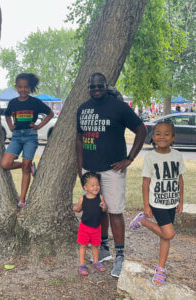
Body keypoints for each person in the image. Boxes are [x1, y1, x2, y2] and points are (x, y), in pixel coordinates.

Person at [76, 72, 147, 277]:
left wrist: (129, 158)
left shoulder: (119, 107)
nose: (96, 89)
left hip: (112, 170)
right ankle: (104, 248)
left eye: (100, 86)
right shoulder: (83, 109)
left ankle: (120, 256)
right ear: (88, 87)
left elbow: (141, 130)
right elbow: (79, 139)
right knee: (99, 210)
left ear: (106, 86)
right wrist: (79, 168)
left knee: (115, 211)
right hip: (90, 171)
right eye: (93, 86)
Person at [129, 120, 185, 286]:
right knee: (169, 233)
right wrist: (146, 205)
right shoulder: (151, 157)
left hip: (171, 203)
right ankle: (143, 221)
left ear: (173, 137)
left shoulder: (177, 155)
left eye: (166, 134)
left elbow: (180, 179)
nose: (162, 137)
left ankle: (161, 269)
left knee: (165, 237)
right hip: (157, 203)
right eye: (158, 134)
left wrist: (180, 200)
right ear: (153, 137)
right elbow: (146, 182)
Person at [0, 73, 54, 208]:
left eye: (26, 87)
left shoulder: (35, 102)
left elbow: (50, 113)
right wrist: (11, 126)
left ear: (29, 88)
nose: (23, 90)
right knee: (5, 164)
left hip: (31, 136)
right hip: (17, 136)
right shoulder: (13, 103)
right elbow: (7, 115)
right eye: (20, 87)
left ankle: (22, 200)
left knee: (25, 170)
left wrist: (39, 126)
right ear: (16, 87)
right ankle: (29, 166)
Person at [73, 172, 107, 276]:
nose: (96, 187)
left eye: (97, 184)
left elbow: (104, 210)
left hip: (96, 227)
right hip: (85, 227)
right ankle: (81, 265)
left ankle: (96, 262)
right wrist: (77, 209)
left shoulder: (100, 197)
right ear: (86, 187)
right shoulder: (82, 199)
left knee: (95, 246)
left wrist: (103, 206)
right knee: (83, 246)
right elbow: (79, 209)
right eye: (92, 185)